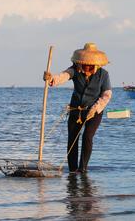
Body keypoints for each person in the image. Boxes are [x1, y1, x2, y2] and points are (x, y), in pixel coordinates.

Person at [43, 42, 112, 173]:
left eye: (90, 66)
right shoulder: (75, 69)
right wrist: (51, 79)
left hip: (95, 111)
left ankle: (83, 168)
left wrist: (95, 108)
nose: (87, 68)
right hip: (76, 110)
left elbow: (107, 94)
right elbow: (63, 76)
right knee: (72, 138)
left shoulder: (103, 74)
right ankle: (73, 169)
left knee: (87, 136)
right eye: (85, 65)